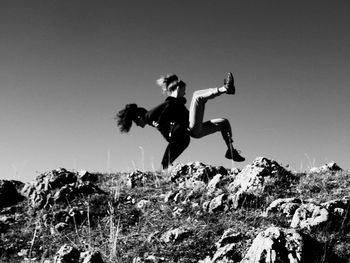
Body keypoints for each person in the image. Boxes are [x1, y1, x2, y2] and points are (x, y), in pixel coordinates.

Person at [116, 72, 245, 169]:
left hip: (191, 128)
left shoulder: (149, 116)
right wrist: (166, 161)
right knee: (198, 98)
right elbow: (170, 137)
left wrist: (175, 95)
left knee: (222, 121)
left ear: (139, 117)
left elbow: (167, 105)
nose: (138, 126)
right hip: (190, 131)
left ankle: (231, 151)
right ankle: (224, 89)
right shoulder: (152, 120)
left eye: (136, 123)